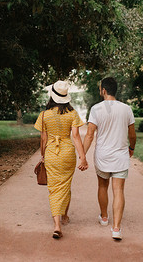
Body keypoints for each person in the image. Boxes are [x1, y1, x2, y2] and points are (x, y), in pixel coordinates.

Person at [83, 77, 136, 240]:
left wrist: (82, 156)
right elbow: (132, 135)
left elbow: (90, 135)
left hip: (102, 156)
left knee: (102, 186)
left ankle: (104, 218)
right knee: (118, 190)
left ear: (103, 90)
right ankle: (116, 228)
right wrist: (131, 148)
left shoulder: (96, 109)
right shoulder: (126, 109)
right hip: (120, 155)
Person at [34, 80, 88, 239]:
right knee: (65, 185)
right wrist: (83, 158)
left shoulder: (44, 115)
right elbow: (76, 136)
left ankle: (57, 225)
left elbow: (43, 139)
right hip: (67, 154)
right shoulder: (72, 114)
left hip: (52, 153)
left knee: (54, 188)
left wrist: (43, 156)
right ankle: (64, 216)